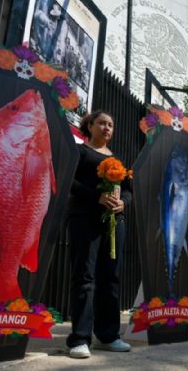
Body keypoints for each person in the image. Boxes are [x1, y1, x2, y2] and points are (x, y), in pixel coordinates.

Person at [66, 111, 131, 358]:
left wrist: (124, 203)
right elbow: (69, 181)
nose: (107, 128)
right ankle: (79, 339)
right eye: (102, 123)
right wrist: (97, 197)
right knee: (84, 277)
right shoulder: (80, 153)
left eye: (111, 125)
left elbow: (127, 190)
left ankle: (108, 335)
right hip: (85, 220)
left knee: (111, 278)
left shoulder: (117, 159)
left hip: (115, 223)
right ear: (90, 125)